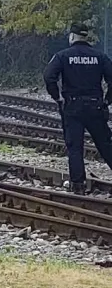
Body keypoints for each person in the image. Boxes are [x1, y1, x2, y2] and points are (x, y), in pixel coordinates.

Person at [43, 23, 112, 193]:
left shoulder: (62, 56)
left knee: (75, 147)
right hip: (95, 106)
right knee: (106, 144)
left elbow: (49, 76)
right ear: (86, 37)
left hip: (72, 106)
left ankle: (78, 184)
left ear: (72, 37)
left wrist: (57, 97)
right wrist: (107, 101)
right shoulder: (100, 56)